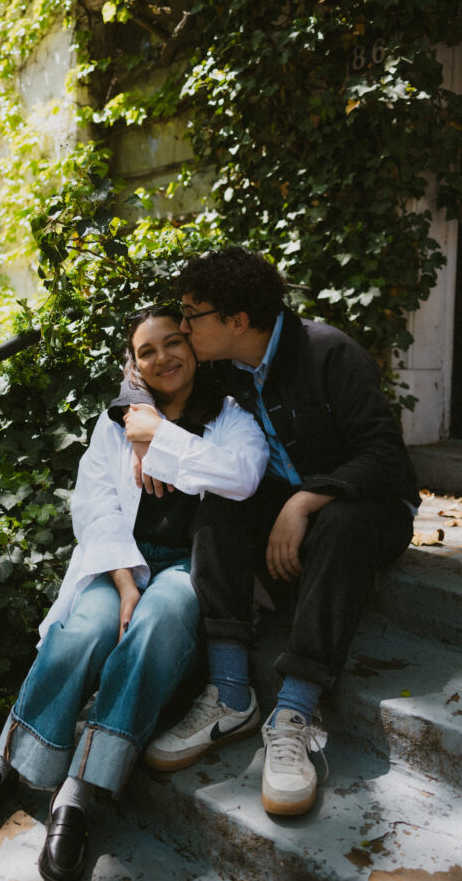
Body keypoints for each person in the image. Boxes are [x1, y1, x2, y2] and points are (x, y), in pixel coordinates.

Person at [0, 305, 269, 881]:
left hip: (190, 570)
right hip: (122, 560)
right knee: (86, 628)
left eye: (174, 343)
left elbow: (242, 475)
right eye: (147, 351)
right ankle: (3, 758)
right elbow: (93, 504)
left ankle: (78, 791)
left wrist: (159, 437)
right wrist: (124, 581)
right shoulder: (116, 420)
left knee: (161, 622)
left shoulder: (229, 417)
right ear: (135, 363)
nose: (163, 358)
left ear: (194, 349)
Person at [126, 247, 420, 817]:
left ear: (236, 320)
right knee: (227, 491)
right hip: (289, 502)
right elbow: (144, 370)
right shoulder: (225, 363)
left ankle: (295, 713)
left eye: (192, 315)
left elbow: (385, 456)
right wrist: (142, 420)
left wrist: (306, 500)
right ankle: (232, 692)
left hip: (368, 510)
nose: (183, 328)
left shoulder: (328, 351)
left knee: (339, 518)